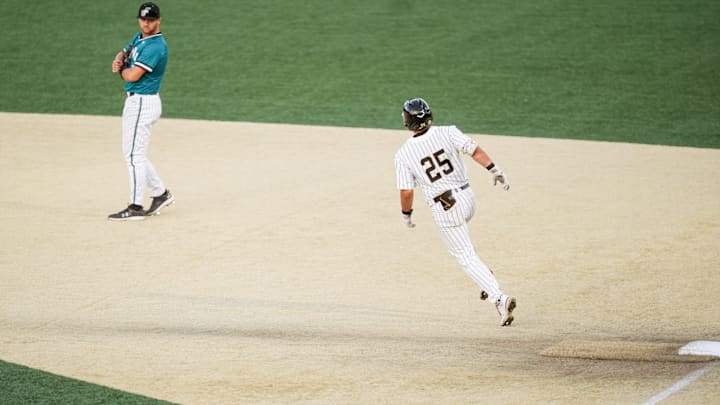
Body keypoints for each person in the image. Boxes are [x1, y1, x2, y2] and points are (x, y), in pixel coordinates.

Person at [394, 98, 517, 326]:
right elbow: (474, 150)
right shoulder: (448, 131)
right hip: (468, 199)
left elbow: (406, 191)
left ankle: (500, 298)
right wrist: (494, 169)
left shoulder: (403, 154)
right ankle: (484, 278)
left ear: (408, 121)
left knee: (464, 256)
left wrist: (406, 213)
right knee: (467, 252)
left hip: (446, 207)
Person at [108, 2, 174, 221]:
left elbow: (133, 76)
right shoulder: (140, 37)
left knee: (134, 156)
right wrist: (119, 59)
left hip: (143, 104)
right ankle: (160, 194)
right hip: (137, 103)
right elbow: (124, 52)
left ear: (159, 20)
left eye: (151, 20)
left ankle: (136, 207)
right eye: (143, 19)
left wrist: (121, 70)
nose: (147, 23)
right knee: (135, 154)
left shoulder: (156, 46)